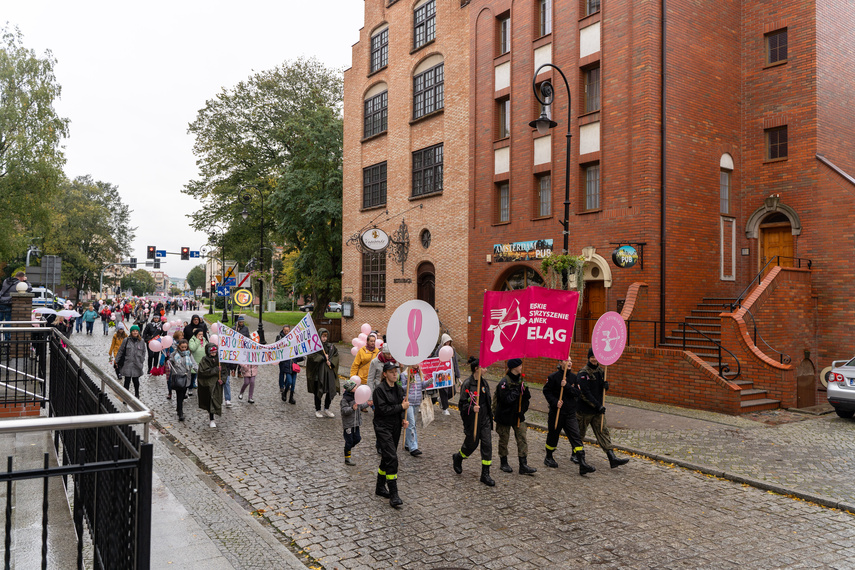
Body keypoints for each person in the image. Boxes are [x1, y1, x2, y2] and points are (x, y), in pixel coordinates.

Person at [577, 348, 630, 469]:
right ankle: (576, 455)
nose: (594, 359)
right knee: (579, 434)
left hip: (597, 411)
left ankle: (612, 458)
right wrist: (597, 405)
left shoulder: (601, 371)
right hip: (585, 411)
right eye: (592, 357)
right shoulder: (583, 373)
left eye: (596, 357)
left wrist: (605, 387)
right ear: (588, 358)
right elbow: (585, 394)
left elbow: (600, 391)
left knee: (603, 432)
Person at [543, 358, 596, 475]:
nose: (570, 363)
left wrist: (566, 385)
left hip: (570, 413)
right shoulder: (553, 377)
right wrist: (554, 402)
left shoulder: (574, 377)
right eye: (567, 360)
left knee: (576, 435)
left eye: (571, 361)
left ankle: (582, 463)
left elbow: (577, 393)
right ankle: (549, 457)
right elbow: (546, 391)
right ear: (560, 363)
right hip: (556, 412)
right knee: (553, 435)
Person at [452, 357, 495, 486]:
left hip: (485, 419)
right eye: (484, 367)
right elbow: (462, 405)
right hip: (472, 420)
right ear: (477, 369)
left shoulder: (484, 383)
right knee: (471, 444)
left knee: (487, 444)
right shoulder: (467, 384)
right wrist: (472, 408)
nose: (486, 369)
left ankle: (485, 474)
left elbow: (487, 402)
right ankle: (458, 457)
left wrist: (489, 416)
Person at [372, 361, 408, 507]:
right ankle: (394, 494)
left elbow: (400, 410)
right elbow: (383, 410)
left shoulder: (399, 389)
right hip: (382, 427)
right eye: (392, 372)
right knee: (392, 458)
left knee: (387, 456)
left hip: (395, 427)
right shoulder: (379, 391)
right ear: (385, 374)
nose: (395, 374)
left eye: (396, 371)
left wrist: (403, 420)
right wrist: (401, 406)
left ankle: (380, 487)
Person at [494, 358, 536, 476]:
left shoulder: (522, 381)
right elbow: (505, 400)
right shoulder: (504, 382)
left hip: (518, 415)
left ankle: (523, 465)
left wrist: (522, 410)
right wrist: (517, 391)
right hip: (505, 416)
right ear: (513, 367)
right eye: (519, 365)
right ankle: (504, 462)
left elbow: (527, 398)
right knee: (504, 439)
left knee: (522, 438)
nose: (521, 366)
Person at [306, 328, 339, 417]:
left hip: (328, 373)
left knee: (330, 389)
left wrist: (331, 361)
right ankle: (317, 409)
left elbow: (335, 355)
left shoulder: (331, 346)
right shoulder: (314, 347)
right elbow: (311, 357)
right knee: (318, 391)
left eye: (326, 336)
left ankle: (326, 408)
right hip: (318, 374)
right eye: (323, 336)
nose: (324, 338)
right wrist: (322, 358)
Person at [340, 378, 371, 466]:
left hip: (356, 423)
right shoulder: (345, 399)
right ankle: (347, 458)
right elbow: (344, 411)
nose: (357, 388)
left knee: (357, 438)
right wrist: (352, 408)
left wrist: (368, 404)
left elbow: (361, 406)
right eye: (355, 387)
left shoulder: (356, 397)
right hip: (349, 424)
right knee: (349, 441)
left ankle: (348, 448)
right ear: (350, 389)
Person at [401, 364, 427, 456]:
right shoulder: (404, 374)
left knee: (413, 424)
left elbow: (422, 386)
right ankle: (413, 447)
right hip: (408, 402)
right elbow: (401, 388)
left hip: (417, 402)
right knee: (411, 424)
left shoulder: (419, 373)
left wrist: (431, 381)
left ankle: (408, 443)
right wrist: (409, 382)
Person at [197, 343, 224, 428]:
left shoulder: (220, 360)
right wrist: (215, 370)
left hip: (217, 384)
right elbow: (203, 372)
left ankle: (214, 414)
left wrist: (222, 379)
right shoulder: (204, 360)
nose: (213, 354)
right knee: (210, 401)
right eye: (212, 353)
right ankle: (211, 419)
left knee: (216, 400)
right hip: (208, 384)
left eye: (215, 352)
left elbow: (224, 371)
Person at [430, 333, 459, 415]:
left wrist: (457, 374)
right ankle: (445, 408)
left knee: (452, 391)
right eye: (446, 342)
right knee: (444, 391)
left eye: (449, 342)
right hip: (442, 374)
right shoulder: (439, 350)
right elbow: (435, 361)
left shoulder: (452, 349)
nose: (447, 344)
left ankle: (441, 400)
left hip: (450, 373)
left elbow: (455, 362)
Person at [115, 325, 146, 398]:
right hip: (127, 363)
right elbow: (121, 351)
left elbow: (144, 351)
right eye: (133, 331)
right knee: (127, 380)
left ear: (138, 332)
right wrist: (116, 361)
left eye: (136, 331)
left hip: (137, 363)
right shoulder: (126, 340)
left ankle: (137, 394)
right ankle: (125, 396)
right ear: (131, 332)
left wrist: (142, 360)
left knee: (136, 380)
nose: (135, 332)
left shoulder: (141, 341)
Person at [170, 339, 197, 421]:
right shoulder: (175, 354)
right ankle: (180, 412)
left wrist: (199, 371)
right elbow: (171, 361)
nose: (184, 349)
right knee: (179, 395)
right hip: (178, 376)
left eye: (185, 347)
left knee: (182, 395)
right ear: (179, 346)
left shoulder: (189, 355)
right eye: (182, 347)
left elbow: (194, 364)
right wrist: (170, 361)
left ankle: (179, 407)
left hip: (186, 377)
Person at [275, 325, 303, 404]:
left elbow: (298, 353)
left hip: (294, 365)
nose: (286, 332)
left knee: (293, 383)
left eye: (288, 330)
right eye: (285, 331)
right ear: (283, 330)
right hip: (286, 364)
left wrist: (302, 357)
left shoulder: (293, 340)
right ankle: (284, 390)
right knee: (289, 381)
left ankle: (291, 397)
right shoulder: (280, 338)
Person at [188, 329, 207, 396]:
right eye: (199, 334)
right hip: (194, 360)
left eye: (202, 334)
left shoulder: (204, 339)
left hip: (202, 361)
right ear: (196, 334)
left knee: (201, 377)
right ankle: (190, 388)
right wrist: (198, 341)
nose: (201, 336)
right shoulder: (192, 340)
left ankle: (201, 389)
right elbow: (192, 348)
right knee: (192, 376)